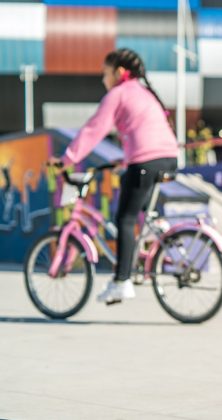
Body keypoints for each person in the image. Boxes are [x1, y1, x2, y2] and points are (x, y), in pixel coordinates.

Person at [48, 48, 179, 304]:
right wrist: (127, 159)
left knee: (125, 219)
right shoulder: (143, 91)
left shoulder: (119, 93)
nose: (103, 79)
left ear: (118, 72)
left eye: (104, 73)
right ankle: (158, 230)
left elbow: (93, 130)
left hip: (146, 160)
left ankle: (122, 282)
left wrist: (66, 160)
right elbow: (142, 129)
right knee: (136, 203)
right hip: (166, 158)